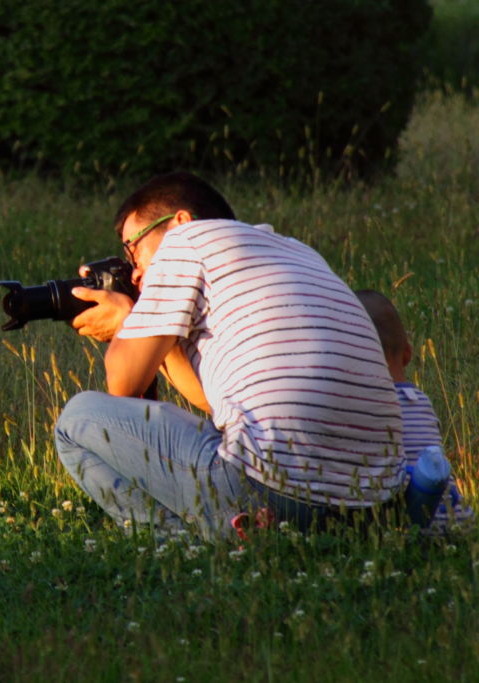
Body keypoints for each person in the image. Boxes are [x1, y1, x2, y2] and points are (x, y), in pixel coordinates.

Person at [54, 171, 405, 538]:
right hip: (376, 508)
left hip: (267, 492)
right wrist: (164, 339)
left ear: (180, 220)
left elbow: (122, 383)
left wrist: (127, 321)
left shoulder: (184, 240)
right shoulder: (299, 252)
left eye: (133, 250)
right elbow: (216, 405)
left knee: (77, 420)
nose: (136, 273)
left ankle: (180, 545)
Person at [355, 289, 474, 533]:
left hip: (410, 525)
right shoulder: (420, 400)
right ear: (408, 354)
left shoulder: (366, 405)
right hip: (457, 518)